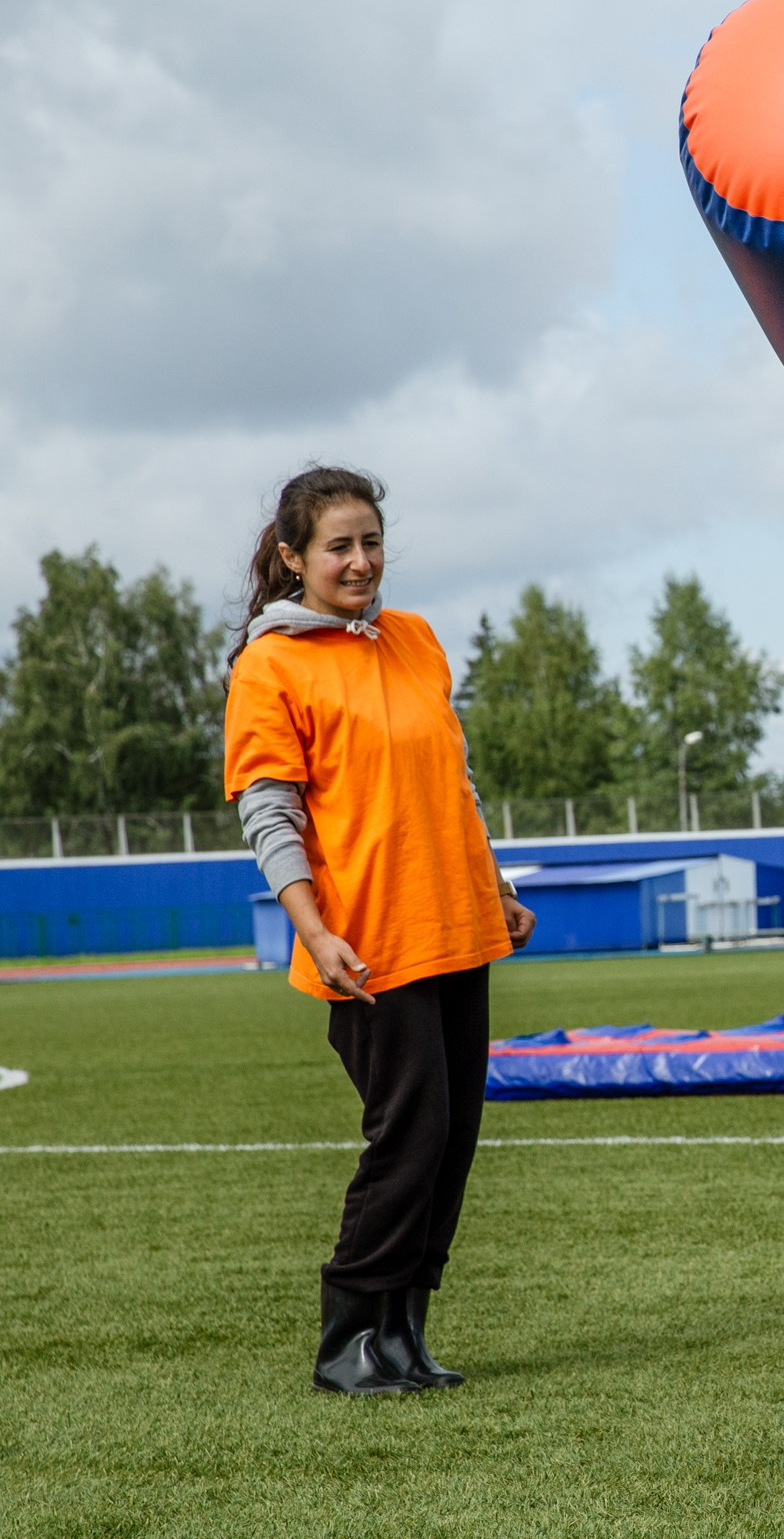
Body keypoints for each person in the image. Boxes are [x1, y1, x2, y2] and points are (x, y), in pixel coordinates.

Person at [222, 465, 535, 1395]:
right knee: (411, 1133)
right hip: (367, 943)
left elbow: (454, 782)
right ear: (293, 558)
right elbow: (269, 813)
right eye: (337, 547)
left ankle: (404, 1332)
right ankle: (347, 1338)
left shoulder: (418, 640)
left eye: (371, 541)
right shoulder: (270, 665)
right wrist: (312, 934)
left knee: (454, 1137)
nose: (360, 562)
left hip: (457, 924)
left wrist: (497, 882)